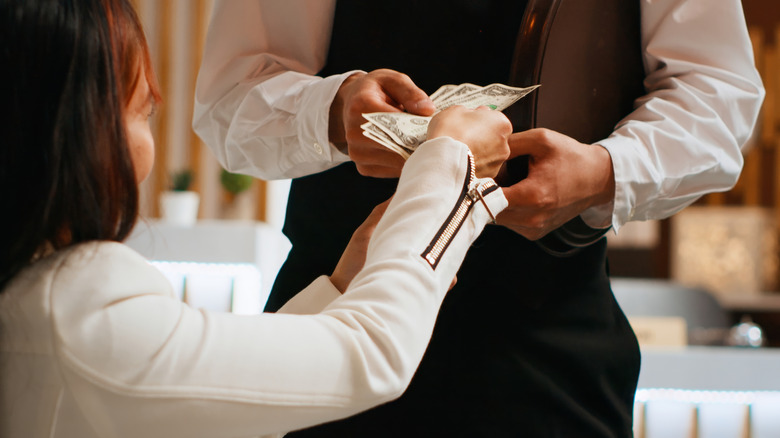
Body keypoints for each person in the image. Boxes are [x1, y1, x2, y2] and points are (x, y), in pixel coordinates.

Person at [193, 1, 764, 436]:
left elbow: (716, 93)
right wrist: (331, 111)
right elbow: (228, 97)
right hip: (333, 324)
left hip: (547, 339)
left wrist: (603, 171)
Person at [0, 1, 514, 437]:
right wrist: (450, 165)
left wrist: (339, 286)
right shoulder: (79, 306)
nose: (146, 138)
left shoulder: (31, 295)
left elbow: (217, 395)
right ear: (71, 132)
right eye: (142, 110)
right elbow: (373, 354)